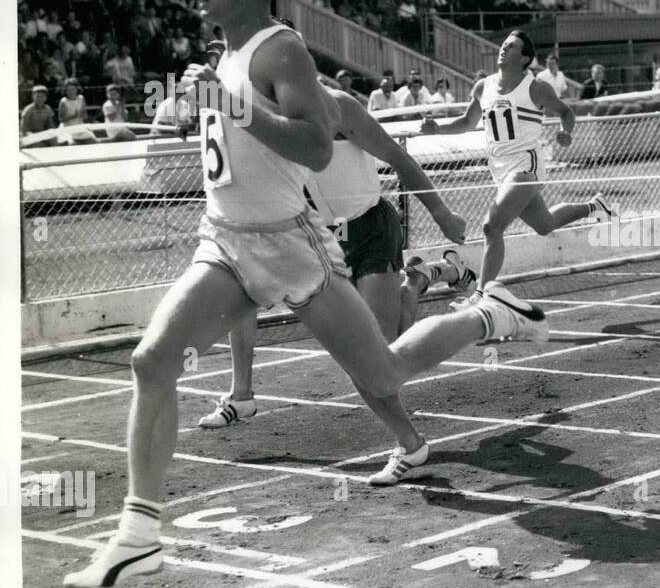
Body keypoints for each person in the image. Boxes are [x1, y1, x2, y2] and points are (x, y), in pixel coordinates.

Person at [64, 0, 549, 588]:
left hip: (293, 246)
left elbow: (317, 147)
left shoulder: (281, 49)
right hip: (228, 241)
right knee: (152, 361)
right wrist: (205, 105)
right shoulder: (225, 58)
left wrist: (229, 107)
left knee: (383, 373)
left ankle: (484, 316)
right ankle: (140, 533)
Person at [198, 79, 475, 471]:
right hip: (319, 237)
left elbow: (399, 158)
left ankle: (421, 284)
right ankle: (242, 395)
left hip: (370, 229)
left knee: (381, 358)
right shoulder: (263, 118)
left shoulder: (339, 107)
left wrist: (442, 213)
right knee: (245, 290)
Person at [421, 30, 617, 297]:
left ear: (525, 58)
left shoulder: (535, 87)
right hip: (499, 169)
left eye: (511, 47)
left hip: (526, 165)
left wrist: (566, 133)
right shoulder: (483, 86)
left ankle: (481, 296)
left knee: (492, 226)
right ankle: (595, 206)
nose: (503, 49)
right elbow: (467, 122)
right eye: (504, 45)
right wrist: (437, 130)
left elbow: (566, 112)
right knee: (544, 224)